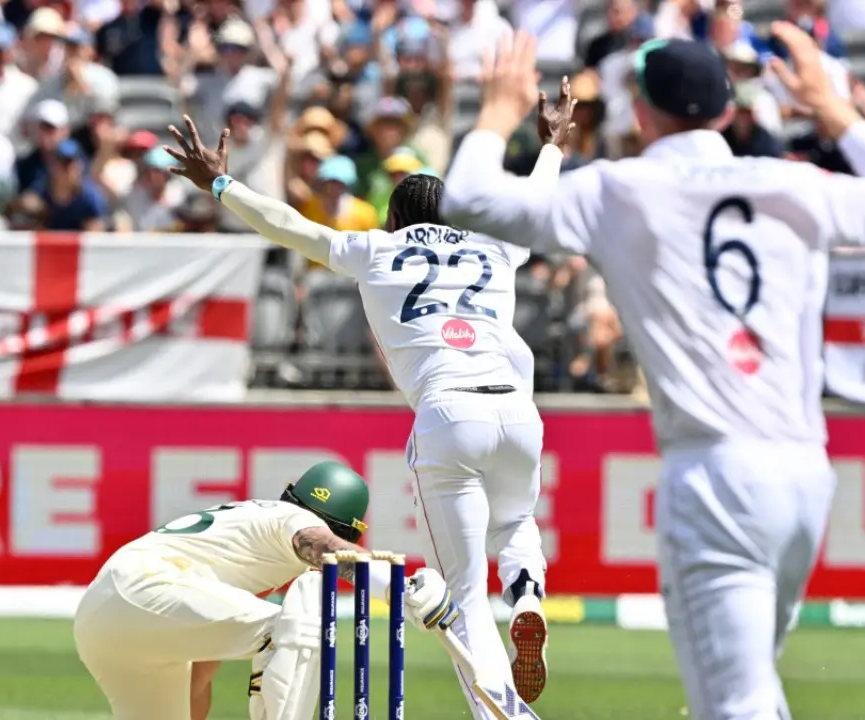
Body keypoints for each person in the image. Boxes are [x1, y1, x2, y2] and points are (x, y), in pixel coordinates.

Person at [439, 27, 865, 720]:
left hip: (714, 477)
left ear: (642, 112)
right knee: (753, 696)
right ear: (728, 112)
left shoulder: (617, 189)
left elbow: (466, 199)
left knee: (736, 706)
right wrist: (835, 111)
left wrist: (498, 111)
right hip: (805, 474)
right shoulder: (794, 182)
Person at [161, 82, 578, 714]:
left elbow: (289, 226)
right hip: (518, 410)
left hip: (448, 412)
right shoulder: (495, 246)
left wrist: (220, 184)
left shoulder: (378, 249)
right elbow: (536, 200)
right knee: (517, 522)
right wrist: (552, 145)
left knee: (463, 595)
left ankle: (506, 715)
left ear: (393, 219)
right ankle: (527, 598)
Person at [73, 460, 460, 720]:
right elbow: (321, 545)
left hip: (103, 623)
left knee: (280, 630)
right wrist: (398, 587)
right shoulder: (291, 519)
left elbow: (199, 676)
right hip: (144, 585)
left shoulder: (252, 542)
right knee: (293, 628)